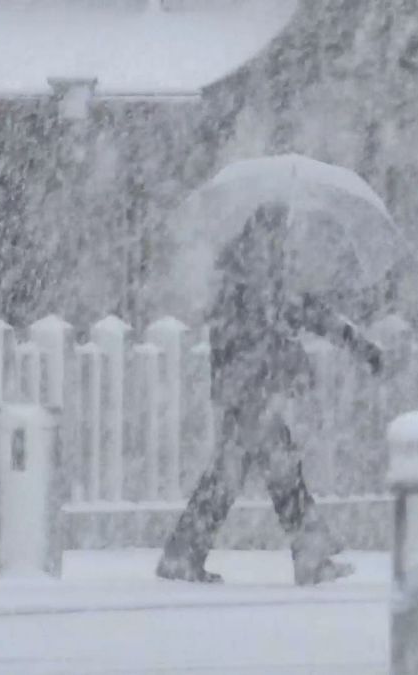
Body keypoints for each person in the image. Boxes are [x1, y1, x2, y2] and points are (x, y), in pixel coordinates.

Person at [157, 201, 383, 585]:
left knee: (249, 473)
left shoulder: (259, 280)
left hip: (251, 391)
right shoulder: (248, 284)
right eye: (274, 233)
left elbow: (314, 315)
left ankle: (185, 554)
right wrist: (273, 333)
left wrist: (360, 346)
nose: (279, 241)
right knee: (269, 473)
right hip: (252, 393)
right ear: (257, 235)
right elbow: (251, 333)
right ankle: (307, 557)